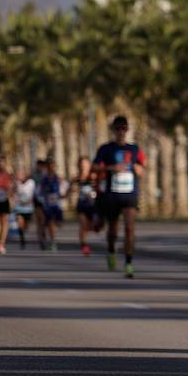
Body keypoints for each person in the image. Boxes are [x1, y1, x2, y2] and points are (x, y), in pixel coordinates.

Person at [94, 115, 145, 278]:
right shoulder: (106, 149)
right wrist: (111, 168)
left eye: (123, 128)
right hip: (113, 194)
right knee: (113, 231)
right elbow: (94, 167)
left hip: (130, 194)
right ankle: (111, 252)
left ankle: (129, 263)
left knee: (130, 228)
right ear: (113, 130)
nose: (121, 132)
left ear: (127, 130)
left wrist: (139, 170)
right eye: (118, 128)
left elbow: (143, 166)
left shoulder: (134, 149)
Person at [72, 155, 102, 256]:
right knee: (82, 225)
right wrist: (73, 189)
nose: (83, 167)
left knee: (96, 226)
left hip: (94, 205)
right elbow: (71, 189)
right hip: (82, 204)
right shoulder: (77, 178)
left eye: (85, 164)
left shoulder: (94, 176)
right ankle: (84, 246)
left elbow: (101, 186)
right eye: (81, 165)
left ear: (89, 165)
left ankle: (93, 227)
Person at [36, 159, 64, 251]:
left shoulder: (58, 178)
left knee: (58, 224)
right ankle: (52, 242)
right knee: (49, 223)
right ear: (47, 167)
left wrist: (62, 195)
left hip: (56, 204)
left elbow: (62, 190)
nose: (51, 168)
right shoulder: (44, 179)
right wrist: (43, 198)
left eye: (53, 166)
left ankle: (45, 236)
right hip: (47, 205)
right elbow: (40, 192)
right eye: (49, 166)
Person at [12, 166, 37, 250]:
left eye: (21, 174)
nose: (20, 176)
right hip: (19, 207)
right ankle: (22, 239)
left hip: (28, 208)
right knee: (20, 222)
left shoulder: (31, 183)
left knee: (25, 226)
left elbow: (34, 194)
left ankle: (23, 232)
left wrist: (29, 201)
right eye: (18, 174)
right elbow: (12, 192)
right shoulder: (16, 183)